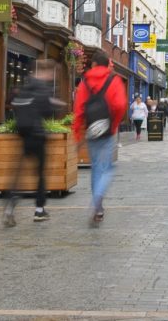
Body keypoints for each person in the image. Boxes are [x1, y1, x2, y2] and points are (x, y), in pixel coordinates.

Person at [73, 49, 127, 226]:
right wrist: (113, 124)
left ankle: (99, 206)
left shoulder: (85, 81)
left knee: (96, 167)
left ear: (94, 64)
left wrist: (77, 133)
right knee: (108, 168)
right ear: (107, 64)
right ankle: (97, 200)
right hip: (107, 130)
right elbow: (120, 105)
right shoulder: (114, 80)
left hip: (91, 130)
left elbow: (79, 109)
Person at [3, 61, 60, 226]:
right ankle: (39, 210)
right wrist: (52, 103)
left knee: (19, 173)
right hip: (37, 135)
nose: (50, 76)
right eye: (50, 73)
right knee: (40, 173)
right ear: (44, 71)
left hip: (23, 134)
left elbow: (12, 103)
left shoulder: (25, 87)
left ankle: (10, 204)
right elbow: (47, 112)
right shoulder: (42, 88)